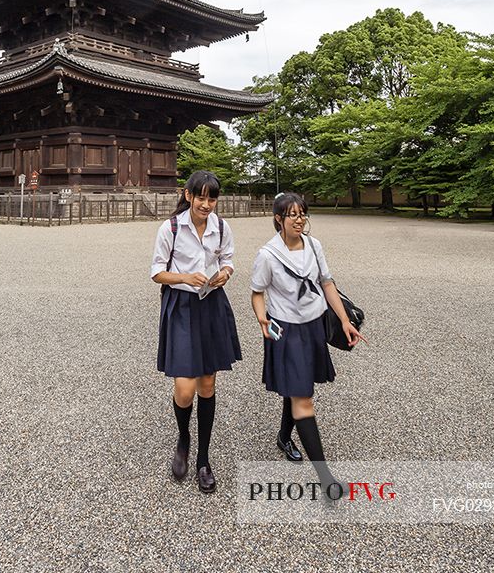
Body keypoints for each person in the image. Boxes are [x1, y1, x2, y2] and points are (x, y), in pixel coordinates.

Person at [251, 191, 365, 498]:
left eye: (303, 214)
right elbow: (257, 293)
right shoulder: (267, 255)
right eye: (293, 214)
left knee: (298, 386)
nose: (300, 219)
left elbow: (327, 283)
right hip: (285, 330)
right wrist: (262, 319)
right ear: (278, 219)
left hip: (314, 325)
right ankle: (326, 478)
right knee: (303, 398)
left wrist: (343, 320)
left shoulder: (314, 246)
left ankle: (284, 436)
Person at [151, 170, 241, 493]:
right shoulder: (171, 228)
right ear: (188, 195)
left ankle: (203, 458)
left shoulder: (221, 227)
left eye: (212, 198)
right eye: (200, 197)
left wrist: (225, 274)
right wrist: (186, 277)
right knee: (185, 389)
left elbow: (228, 260)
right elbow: (157, 273)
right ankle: (183, 436)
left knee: (207, 383)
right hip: (182, 307)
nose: (206, 204)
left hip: (212, 305)